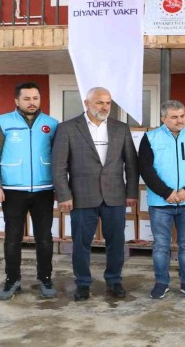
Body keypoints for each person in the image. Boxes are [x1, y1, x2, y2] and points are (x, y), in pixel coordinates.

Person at [51, 87, 138, 301]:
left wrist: (131, 192)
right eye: (100, 102)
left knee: (116, 242)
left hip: (115, 196)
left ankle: (114, 280)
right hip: (81, 196)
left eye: (108, 103)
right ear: (87, 103)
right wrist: (64, 195)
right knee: (81, 243)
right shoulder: (68, 128)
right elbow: (59, 165)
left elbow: (131, 164)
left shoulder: (121, 128)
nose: (105, 107)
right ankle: (82, 283)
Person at [0, 82, 59, 300]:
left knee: (44, 238)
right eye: (27, 99)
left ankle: (45, 278)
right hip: (12, 190)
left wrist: (60, 187)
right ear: (16, 101)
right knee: (12, 238)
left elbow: (60, 157)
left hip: (44, 189)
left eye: (35, 98)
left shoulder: (51, 124)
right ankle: (12, 280)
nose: (32, 102)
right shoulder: (3, 122)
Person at [138, 100, 185, 300]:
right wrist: (166, 192)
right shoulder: (150, 138)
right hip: (160, 203)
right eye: (174, 117)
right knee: (161, 245)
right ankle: (161, 283)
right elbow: (145, 168)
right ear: (163, 119)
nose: (180, 120)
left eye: (182, 116)